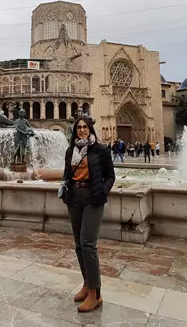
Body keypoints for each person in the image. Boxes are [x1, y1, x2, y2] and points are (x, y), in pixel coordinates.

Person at [60, 116, 115, 312]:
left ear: (91, 129)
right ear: (75, 130)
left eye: (85, 127)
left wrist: (102, 191)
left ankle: (96, 293)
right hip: (75, 197)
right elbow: (67, 174)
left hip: (93, 198)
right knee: (78, 245)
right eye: (79, 127)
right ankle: (86, 284)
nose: (82, 130)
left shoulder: (100, 150)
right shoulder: (71, 150)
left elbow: (111, 175)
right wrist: (66, 189)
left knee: (88, 244)